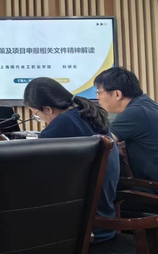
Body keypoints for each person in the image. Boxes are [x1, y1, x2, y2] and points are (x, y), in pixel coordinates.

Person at [23, 77, 119, 243]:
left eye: (36, 115)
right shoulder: (86, 112)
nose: (40, 120)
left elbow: (34, 172)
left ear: (47, 109)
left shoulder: (61, 125)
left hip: (81, 229)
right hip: (103, 218)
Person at [94, 67, 158, 183]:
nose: (97, 97)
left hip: (152, 188)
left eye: (99, 92)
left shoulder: (135, 112)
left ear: (117, 94)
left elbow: (102, 143)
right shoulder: (147, 105)